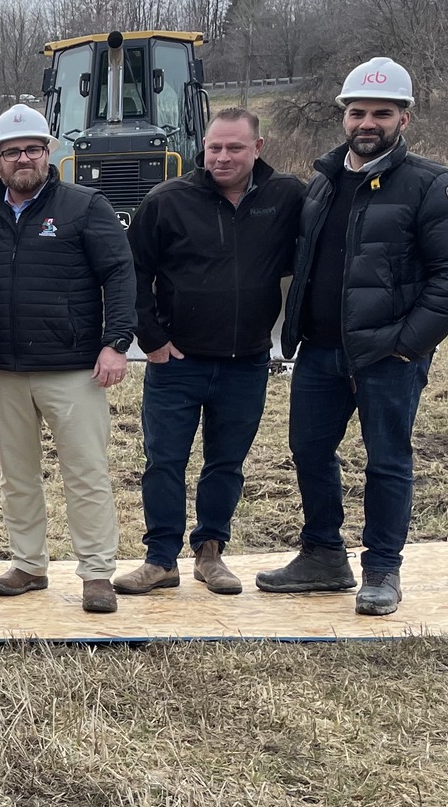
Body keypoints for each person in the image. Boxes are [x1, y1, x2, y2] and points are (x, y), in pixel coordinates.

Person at [256, 57, 448, 615]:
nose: (368, 122)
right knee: (309, 451)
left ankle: (382, 568)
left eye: (382, 113)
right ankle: (323, 555)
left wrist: (406, 342)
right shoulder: (324, 183)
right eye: (358, 111)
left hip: (388, 356)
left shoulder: (433, 185)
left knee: (387, 459)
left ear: (404, 118)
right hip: (320, 351)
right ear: (344, 116)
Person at [113, 109, 305, 598]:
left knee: (226, 463)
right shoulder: (168, 200)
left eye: (234, 148)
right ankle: (159, 559)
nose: (222, 157)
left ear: (257, 148)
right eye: (214, 147)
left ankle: (211, 552)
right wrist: (151, 339)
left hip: (247, 362)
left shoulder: (286, 197)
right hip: (178, 362)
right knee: (163, 462)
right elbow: (131, 270)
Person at [0, 104, 136, 614]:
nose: (24, 158)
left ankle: (96, 573)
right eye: (12, 151)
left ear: (50, 154)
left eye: (33, 149)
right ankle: (28, 564)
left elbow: (120, 274)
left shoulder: (85, 206)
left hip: (73, 368)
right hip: (3, 368)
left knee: (86, 473)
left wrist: (116, 342)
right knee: (16, 474)